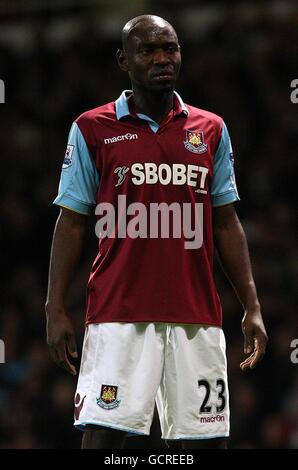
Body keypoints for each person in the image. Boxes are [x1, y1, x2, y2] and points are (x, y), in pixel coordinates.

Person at [45, 14, 268, 449]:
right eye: (148, 50)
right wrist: (55, 307)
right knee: (106, 440)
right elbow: (71, 221)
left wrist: (252, 306)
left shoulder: (211, 129)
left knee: (205, 442)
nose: (163, 58)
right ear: (123, 61)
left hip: (197, 316)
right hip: (118, 313)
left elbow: (225, 220)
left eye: (171, 48)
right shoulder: (92, 128)